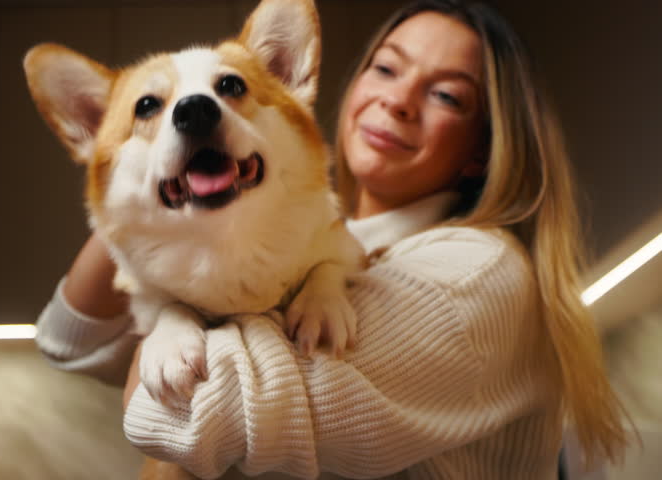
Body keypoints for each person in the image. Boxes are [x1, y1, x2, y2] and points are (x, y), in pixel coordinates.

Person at [35, 0, 632, 478]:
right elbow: (67, 338)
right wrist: (143, 189)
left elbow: (194, 415)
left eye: (446, 94)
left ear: (483, 148)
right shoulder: (310, 239)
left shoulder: (475, 271)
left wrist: (166, 318)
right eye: (387, 67)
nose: (397, 101)